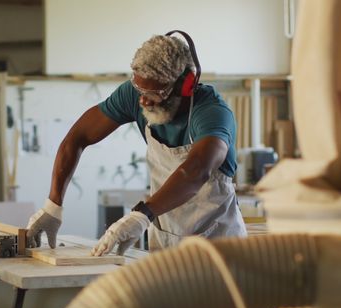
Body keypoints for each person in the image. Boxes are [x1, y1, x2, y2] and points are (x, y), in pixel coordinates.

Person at [25, 30, 246, 256]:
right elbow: (77, 137)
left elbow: (197, 170)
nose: (143, 100)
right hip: (166, 242)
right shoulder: (135, 95)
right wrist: (53, 205)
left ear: (185, 85)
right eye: (139, 89)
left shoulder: (212, 113)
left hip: (219, 248)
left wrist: (142, 213)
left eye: (154, 92)